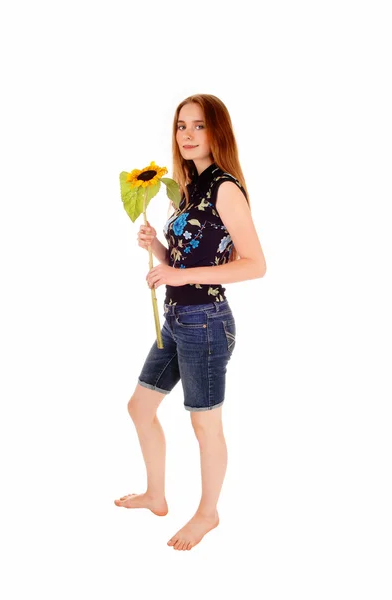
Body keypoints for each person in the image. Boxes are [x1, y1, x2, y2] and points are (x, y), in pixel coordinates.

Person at [114, 94, 266, 550]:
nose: (187, 135)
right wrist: (158, 249)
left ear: (217, 132)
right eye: (182, 126)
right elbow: (188, 255)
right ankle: (157, 495)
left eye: (198, 126)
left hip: (206, 322)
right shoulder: (187, 187)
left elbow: (254, 264)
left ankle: (207, 513)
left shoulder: (225, 187)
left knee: (205, 426)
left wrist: (180, 273)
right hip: (177, 318)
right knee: (139, 408)